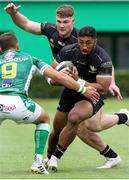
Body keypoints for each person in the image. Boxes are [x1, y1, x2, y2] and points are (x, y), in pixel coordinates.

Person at [5, 3, 123, 169]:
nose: (61, 25)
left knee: (90, 125)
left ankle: (121, 123)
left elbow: (105, 63)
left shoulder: (82, 39)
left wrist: (112, 82)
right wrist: (12, 14)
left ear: (73, 21)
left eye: (65, 22)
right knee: (58, 129)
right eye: (59, 21)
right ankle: (49, 159)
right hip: (71, 83)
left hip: (92, 86)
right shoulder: (52, 31)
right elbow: (26, 24)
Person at [0, 32, 98, 174]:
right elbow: (58, 76)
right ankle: (37, 162)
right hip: (18, 103)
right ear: (17, 46)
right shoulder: (30, 58)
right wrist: (83, 89)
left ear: (1, 50)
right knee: (44, 119)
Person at [47, 26, 129, 172]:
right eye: (81, 42)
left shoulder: (102, 58)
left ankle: (55, 159)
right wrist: (53, 79)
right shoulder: (68, 51)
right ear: (77, 40)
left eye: (88, 43)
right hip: (71, 91)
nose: (84, 46)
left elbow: (103, 88)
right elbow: (52, 73)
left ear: (95, 42)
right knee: (58, 130)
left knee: (74, 118)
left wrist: (79, 82)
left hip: (93, 93)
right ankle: (47, 159)